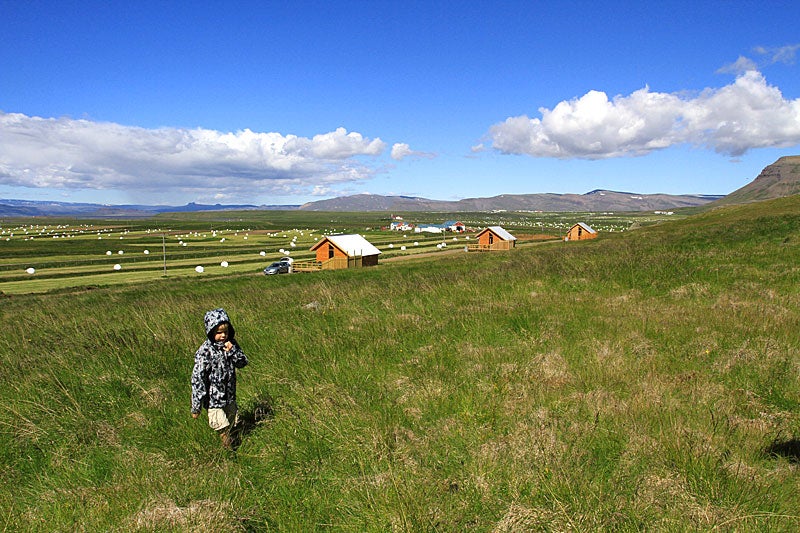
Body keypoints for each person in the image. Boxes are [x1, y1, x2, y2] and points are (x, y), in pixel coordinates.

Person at [191, 308, 249, 449]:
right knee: (221, 427)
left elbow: (242, 363)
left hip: (229, 396)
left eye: (226, 332)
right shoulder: (205, 351)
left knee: (231, 423)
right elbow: (198, 378)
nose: (223, 336)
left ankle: (232, 444)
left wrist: (233, 351)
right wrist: (196, 406)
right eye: (218, 333)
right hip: (213, 400)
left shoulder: (231, 344)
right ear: (211, 332)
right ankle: (230, 451)